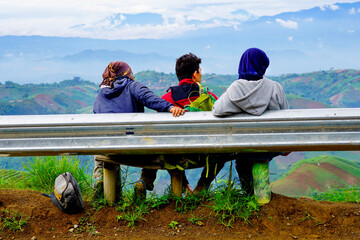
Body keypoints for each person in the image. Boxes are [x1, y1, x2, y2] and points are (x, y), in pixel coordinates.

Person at [135, 53, 230, 198]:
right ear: (195, 74)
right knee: (225, 150)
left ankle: (183, 186)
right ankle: (202, 186)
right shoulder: (209, 98)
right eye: (200, 71)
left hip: (173, 155)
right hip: (203, 154)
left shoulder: (166, 100)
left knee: (166, 143)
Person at [92, 61, 185, 195]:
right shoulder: (132, 86)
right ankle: (144, 181)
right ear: (126, 73)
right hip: (135, 149)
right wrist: (169, 107)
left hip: (110, 150)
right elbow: (150, 99)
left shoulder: (100, 95)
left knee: (101, 146)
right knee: (156, 141)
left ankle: (101, 180)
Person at [212, 47, 289, 195]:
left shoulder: (235, 89)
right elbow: (287, 116)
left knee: (242, 162)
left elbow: (217, 110)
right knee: (260, 155)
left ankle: (248, 195)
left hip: (244, 146)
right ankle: (262, 195)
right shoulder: (275, 88)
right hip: (270, 147)